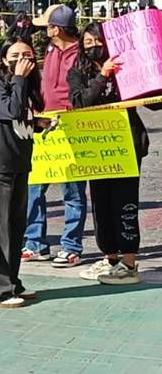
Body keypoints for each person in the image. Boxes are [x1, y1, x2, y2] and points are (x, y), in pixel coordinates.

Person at [69, 22, 156, 285]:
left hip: (127, 145)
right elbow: (80, 101)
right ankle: (110, 259)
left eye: (98, 41)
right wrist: (103, 75)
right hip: (96, 147)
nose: (94, 46)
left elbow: (156, 102)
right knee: (102, 204)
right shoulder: (78, 72)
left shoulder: (127, 68)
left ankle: (129, 262)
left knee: (125, 202)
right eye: (88, 43)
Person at [0, 38, 43, 308]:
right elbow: (11, 110)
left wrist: (39, 122)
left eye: (27, 53)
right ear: (4, 60)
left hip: (18, 163)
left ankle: (11, 282)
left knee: (14, 227)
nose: (22, 59)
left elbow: (19, 118)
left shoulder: (23, 86)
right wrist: (18, 79)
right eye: (15, 55)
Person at [22, 4, 87, 268]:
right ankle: (35, 243)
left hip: (71, 127)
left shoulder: (81, 53)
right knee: (35, 187)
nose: (44, 31)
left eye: (47, 26)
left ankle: (71, 246)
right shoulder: (49, 49)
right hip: (43, 125)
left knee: (73, 191)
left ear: (56, 28)